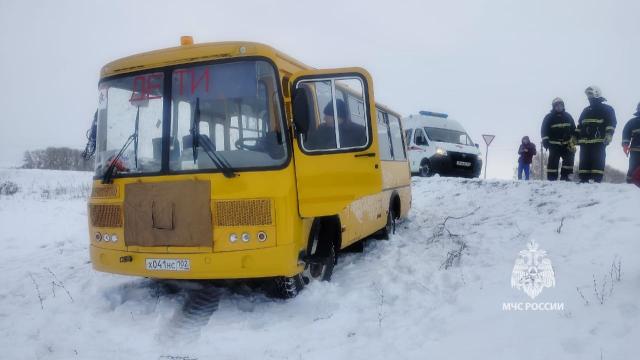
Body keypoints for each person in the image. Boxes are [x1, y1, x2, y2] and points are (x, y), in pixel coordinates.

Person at [576, 86, 617, 183]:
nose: (589, 97)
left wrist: (609, 134)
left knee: (597, 160)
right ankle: (583, 180)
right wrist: (574, 137)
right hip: (584, 141)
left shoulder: (607, 109)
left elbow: (611, 123)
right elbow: (580, 125)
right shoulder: (586, 110)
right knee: (584, 161)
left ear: (597, 93)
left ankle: (596, 180)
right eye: (588, 95)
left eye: (590, 94)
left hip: (598, 141)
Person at [541, 97, 577, 181]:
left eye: (560, 105)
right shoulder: (548, 117)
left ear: (563, 106)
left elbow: (574, 130)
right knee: (553, 161)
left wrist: (573, 143)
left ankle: (566, 177)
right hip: (554, 144)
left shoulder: (568, 116)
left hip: (567, 144)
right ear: (553, 107)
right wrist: (545, 141)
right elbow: (544, 130)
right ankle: (552, 178)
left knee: (569, 159)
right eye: (556, 105)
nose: (558, 107)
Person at [621, 102, 640, 184]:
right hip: (635, 150)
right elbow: (626, 133)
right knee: (633, 167)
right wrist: (625, 145)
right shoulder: (632, 122)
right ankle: (630, 184)